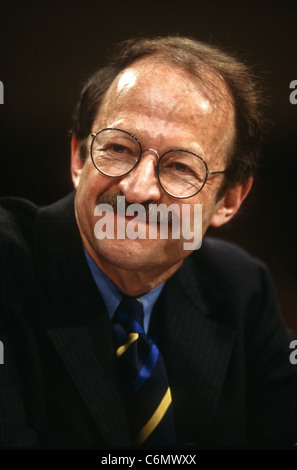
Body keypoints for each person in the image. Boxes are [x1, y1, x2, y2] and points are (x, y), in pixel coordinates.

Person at [0, 36, 296, 450]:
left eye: (179, 167)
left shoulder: (241, 288)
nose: (138, 190)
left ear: (229, 200)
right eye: (119, 148)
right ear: (79, 159)